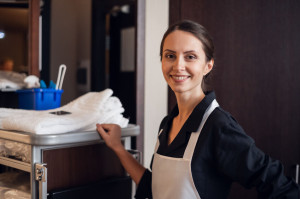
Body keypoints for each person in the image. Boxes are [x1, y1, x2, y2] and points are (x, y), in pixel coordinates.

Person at [96, 20, 300, 199]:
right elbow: (155, 189)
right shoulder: (168, 124)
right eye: (170, 56)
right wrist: (118, 148)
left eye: (190, 56)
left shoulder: (218, 126)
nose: (178, 66)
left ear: (208, 66)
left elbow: (279, 186)